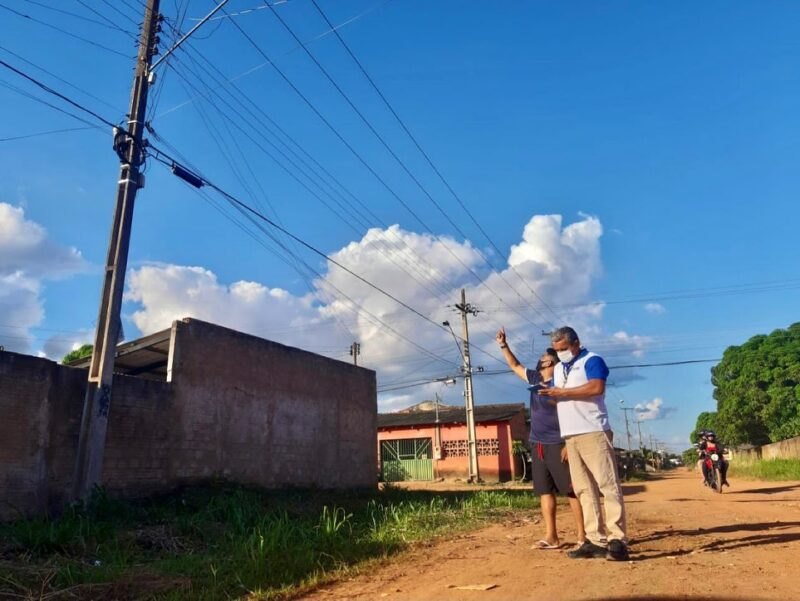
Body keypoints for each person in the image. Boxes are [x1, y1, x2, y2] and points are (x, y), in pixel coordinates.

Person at [538, 326, 630, 561]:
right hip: (571, 435)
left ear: (576, 343)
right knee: (583, 489)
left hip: (593, 431)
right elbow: (562, 399)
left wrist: (562, 393)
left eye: (564, 349)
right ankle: (595, 539)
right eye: (557, 350)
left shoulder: (592, 360)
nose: (561, 354)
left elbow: (596, 387)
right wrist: (550, 395)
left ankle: (617, 539)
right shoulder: (558, 369)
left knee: (607, 484)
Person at [496, 328, 586, 550]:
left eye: (544, 360)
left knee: (571, 491)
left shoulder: (564, 382)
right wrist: (503, 345)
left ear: (552, 364)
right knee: (544, 491)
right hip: (538, 443)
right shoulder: (535, 379)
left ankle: (583, 536)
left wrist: (568, 442)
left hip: (559, 442)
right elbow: (514, 366)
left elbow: (572, 409)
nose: (540, 362)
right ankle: (551, 536)